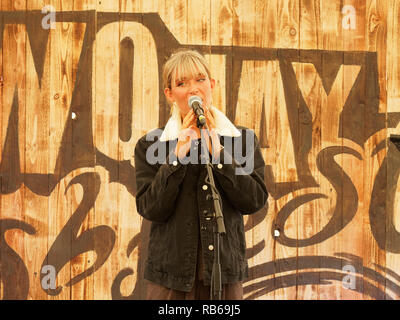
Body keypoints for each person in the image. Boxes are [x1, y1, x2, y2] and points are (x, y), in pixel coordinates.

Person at [134, 49, 268, 300]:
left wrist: (219, 154)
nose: (193, 89)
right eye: (181, 83)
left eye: (200, 79)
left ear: (212, 84)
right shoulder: (151, 145)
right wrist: (177, 156)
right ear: (170, 94)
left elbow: (255, 200)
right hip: (170, 279)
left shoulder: (242, 140)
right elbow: (150, 208)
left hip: (224, 275)